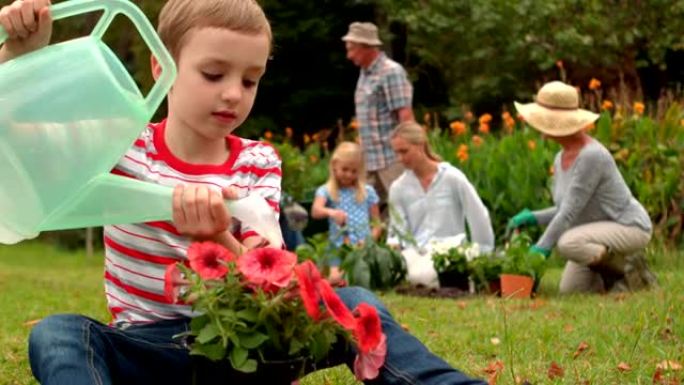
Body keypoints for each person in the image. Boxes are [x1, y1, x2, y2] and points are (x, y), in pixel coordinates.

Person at [1, 1, 486, 384]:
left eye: (250, 80)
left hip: (245, 348)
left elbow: (270, 274)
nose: (234, 93)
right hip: (150, 350)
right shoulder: (120, 142)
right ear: (159, 66)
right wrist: (23, 60)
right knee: (59, 333)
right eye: (214, 74)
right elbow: (17, 137)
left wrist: (219, 239)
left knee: (356, 300)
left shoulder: (258, 161)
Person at [510, 80, 657, 294]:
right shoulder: (560, 158)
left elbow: (568, 213)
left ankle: (631, 273)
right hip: (595, 231)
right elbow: (567, 208)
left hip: (629, 226)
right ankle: (609, 281)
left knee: (568, 243)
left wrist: (542, 247)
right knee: (571, 290)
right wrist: (533, 217)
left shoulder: (591, 156)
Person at [387, 121, 495, 287]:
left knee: (430, 274)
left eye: (404, 151)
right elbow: (397, 231)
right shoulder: (398, 188)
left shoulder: (452, 177)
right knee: (419, 273)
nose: (400, 158)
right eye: (397, 153)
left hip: (452, 251)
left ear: (421, 145)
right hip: (417, 255)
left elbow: (478, 215)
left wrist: (483, 253)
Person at [342, 21, 414, 210]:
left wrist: (408, 152)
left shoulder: (391, 72)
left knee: (404, 209)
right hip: (370, 159)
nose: (348, 56)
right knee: (372, 214)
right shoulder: (364, 74)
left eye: (352, 49)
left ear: (367, 47)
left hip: (391, 159)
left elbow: (405, 116)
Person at [311, 141, 381, 281]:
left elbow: (377, 223)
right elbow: (315, 211)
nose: (349, 175)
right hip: (338, 247)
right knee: (336, 279)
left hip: (362, 247)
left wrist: (369, 242)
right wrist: (332, 212)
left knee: (361, 278)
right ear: (334, 165)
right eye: (344, 169)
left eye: (354, 171)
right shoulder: (326, 190)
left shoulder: (367, 191)